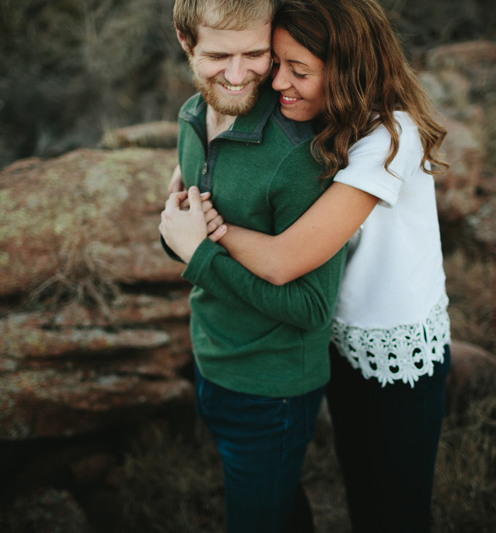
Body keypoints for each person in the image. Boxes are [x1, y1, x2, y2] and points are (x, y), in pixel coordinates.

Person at [162, 0, 451, 531]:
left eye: (298, 70)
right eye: (279, 65)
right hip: (338, 339)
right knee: (359, 484)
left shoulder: (390, 139)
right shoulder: (326, 122)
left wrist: (204, 233)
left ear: (346, 70)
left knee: (398, 509)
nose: (278, 84)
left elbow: (282, 260)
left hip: (396, 349)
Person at [160, 1, 347, 531]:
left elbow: (312, 308)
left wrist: (199, 254)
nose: (239, 75)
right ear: (184, 39)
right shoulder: (192, 117)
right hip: (212, 358)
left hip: (274, 389)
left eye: (256, 55)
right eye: (219, 55)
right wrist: (173, 231)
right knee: (279, 508)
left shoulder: (298, 154)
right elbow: (183, 232)